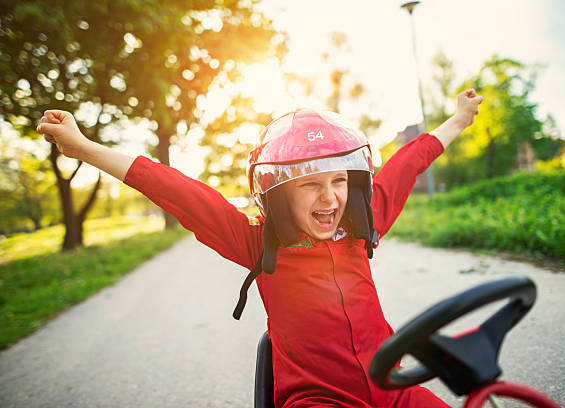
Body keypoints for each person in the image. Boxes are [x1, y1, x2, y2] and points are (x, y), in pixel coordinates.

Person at [36, 89, 483, 408]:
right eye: (310, 184)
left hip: (395, 388)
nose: (330, 198)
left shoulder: (363, 225)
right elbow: (174, 188)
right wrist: (83, 147)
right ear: (280, 194)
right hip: (317, 401)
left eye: (339, 181)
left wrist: (459, 119)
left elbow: (408, 162)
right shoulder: (257, 243)